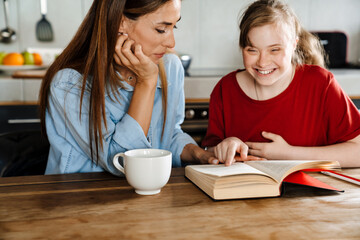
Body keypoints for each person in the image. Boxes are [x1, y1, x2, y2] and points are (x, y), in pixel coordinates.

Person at [39, 0, 216, 176]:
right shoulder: (69, 84)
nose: (171, 42)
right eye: (161, 29)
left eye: (174, 27)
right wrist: (146, 83)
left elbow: (168, 135)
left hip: (146, 198)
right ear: (121, 22)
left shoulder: (170, 67)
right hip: (79, 198)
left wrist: (200, 154)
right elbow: (122, 162)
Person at [202, 0, 360, 167]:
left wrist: (288, 153)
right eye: (252, 50)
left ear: (293, 45)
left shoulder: (321, 83)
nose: (262, 62)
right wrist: (225, 146)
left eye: (274, 50)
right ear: (242, 48)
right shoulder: (225, 89)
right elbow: (210, 153)